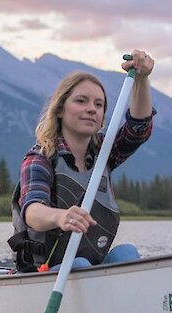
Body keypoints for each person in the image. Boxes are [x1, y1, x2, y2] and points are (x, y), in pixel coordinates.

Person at [9, 50, 155, 272]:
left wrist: (142, 80)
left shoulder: (104, 153)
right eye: (81, 101)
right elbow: (32, 212)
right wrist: (61, 217)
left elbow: (138, 129)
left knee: (127, 253)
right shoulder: (39, 158)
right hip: (44, 271)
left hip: (89, 268)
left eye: (98, 105)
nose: (91, 109)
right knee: (79, 265)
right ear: (59, 109)